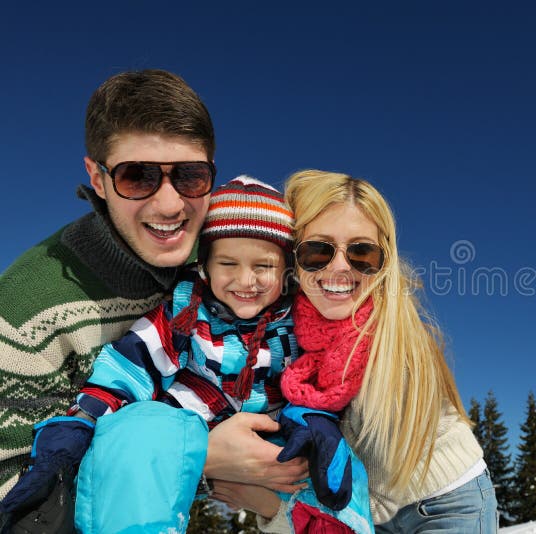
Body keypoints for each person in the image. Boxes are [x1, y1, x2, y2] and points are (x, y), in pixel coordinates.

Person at [0, 70, 306, 529]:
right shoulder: (27, 309)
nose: (169, 205)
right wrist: (202, 456)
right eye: (138, 176)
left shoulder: (232, 255)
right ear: (98, 178)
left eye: (190, 176)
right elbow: (18, 494)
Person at [233, 169, 498, 533]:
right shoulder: (280, 334)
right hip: (370, 515)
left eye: (361, 253)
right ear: (292, 257)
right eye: (317, 250)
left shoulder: (393, 324)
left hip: (448, 500)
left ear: (382, 262)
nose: (340, 267)